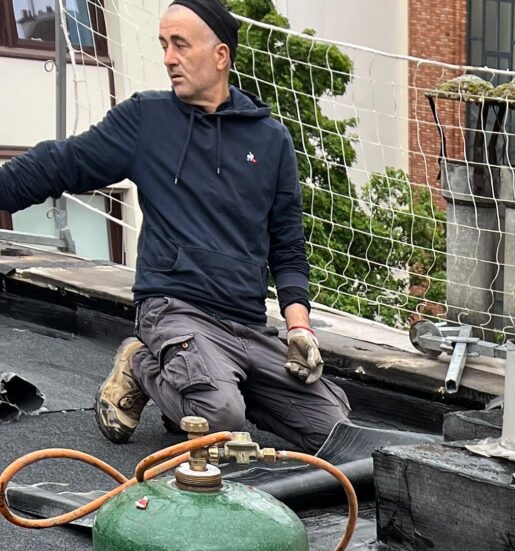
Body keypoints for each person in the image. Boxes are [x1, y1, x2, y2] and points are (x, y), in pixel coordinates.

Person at [0, 0, 349, 456]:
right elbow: (60, 163)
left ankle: (200, 384)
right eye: (164, 45)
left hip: (247, 324)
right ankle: (144, 363)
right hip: (174, 308)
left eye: (180, 45)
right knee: (221, 422)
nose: (168, 58)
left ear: (220, 55)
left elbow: (287, 245)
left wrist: (299, 327)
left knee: (337, 433)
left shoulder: (271, 140)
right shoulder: (147, 120)